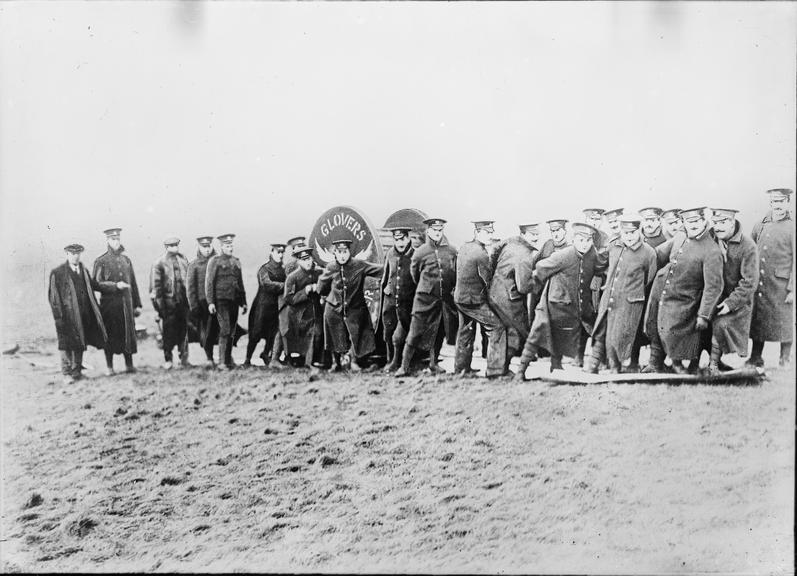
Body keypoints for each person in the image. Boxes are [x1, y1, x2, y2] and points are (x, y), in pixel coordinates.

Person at [516, 222, 608, 377]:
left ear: (592, 241)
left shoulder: (592, 255)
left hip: (575, 306)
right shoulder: (563, 255)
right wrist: (530, 285)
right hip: (552, 304)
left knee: (595, 328)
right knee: (537, 335)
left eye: (588, 240)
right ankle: (521, 370)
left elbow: (600, 266)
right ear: (573, 239)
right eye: (580, 240)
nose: (584, 245)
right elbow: (541, 268)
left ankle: (562, 365)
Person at [643, 208, 724, 374]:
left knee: (673, 330)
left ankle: (677, 364)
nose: (692, 225)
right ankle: (654, 363)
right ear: (684, 223)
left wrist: (704, 314)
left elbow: (713, 287)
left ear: (703, 222)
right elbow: (658, 254)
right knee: (653, 325)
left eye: (696, 221)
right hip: (660, 290)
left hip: (685, 299)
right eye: (688, 222)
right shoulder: (680, 236)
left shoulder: (711, 250)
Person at [586, 216, 657, 373]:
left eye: (633, 232)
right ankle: (594, 364)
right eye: (626, 233)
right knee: (601, 330)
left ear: (639, 231)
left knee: (619, 335)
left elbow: (649, 279)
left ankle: (615, 366)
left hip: (630, 303)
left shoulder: (648, 253)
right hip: (610, 299)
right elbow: (602, 265)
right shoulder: (614, 247)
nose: (629, 237)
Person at [395, 218, 458, 376]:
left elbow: (453, 272)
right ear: (428, 231)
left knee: (439, 331)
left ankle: (433, 363)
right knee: (415, 332)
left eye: (440, 230)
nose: (437, 233)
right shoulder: (421, 252)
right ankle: (404, 366)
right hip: (424, 299)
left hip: (443, 300)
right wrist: (428, 288)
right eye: (434, 230)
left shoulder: (451, 250)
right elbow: (414, 274)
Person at [317, 236, 383, 371]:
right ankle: (336, 363)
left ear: (349, 252)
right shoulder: (331, 267)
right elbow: (321, 287)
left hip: (354, 306)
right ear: (335, 253)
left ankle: (354, 361)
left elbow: (379, 270)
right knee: (334, 332)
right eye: (339, 252)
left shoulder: (359, 265)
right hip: (334, 306)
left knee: (358, 332)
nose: (342, 256)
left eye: (345, 252)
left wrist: (391, 268)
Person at [706, 208, 759, 374]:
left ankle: (713, 365)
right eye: (715, 222)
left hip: (737, 303)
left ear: (732, 222)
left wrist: (730, 304)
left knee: (721, 323)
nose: (718, 227)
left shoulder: (748, 246)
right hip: (710, 296)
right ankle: (691, 363)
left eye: (723, 222)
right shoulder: (708, 239)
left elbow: (749, 282)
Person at [452, 220, 508, 378]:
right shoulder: (481, 253)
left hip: (460, 298)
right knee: (497, 327)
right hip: (473, 301)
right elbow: (488, 281)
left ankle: (461, 369)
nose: (491, 236)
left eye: (491, 232)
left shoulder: (465, 247)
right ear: (477, 232)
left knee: (465, 331)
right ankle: (495, 371)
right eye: (487, 233)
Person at [48, 244, 110, 384]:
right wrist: (59, 318)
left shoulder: (84, 271)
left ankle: (77, 372)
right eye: (72, 253)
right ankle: (66, 374)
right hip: (66, 317)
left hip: (83, 315)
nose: (75, 256)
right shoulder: (58, 273)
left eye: (78, 253)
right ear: (67, 254)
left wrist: (114, 287)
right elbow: (54, 298)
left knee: (81, 342)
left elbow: (96, 285)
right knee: (66, 344)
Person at [748, 188, 794, 367]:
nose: (778, 206)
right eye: (775, 202)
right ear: (770, 203)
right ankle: (755, 358)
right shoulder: (760, 225)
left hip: (782, 286)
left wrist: (792, 289)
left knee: (785, 321)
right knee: (759, 321)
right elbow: (750, 250)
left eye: (782, 201)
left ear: (788, 203)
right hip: (761, 283)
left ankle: (785, 359)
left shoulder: (792, 227)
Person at [488, 223, 539, 373]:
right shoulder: (524, 254)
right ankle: (498, 370)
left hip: (495, 293)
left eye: (537, 234)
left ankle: (496, 369)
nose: (536, 238)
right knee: (516, 334)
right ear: (523, 235)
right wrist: (536, 279)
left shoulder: (511, 244)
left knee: (501, 333)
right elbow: (524, 286)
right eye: (532, 234)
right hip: (509, 298)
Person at [93, 227, 142, 375]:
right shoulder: (100, 261)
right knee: (110, 336)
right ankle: (109, 367)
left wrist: (137, 304)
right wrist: (115, 286)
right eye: (113, 239)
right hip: (109, 307)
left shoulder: (126, 260)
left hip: (126, 305)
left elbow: (133, 283)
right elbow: (95, 283)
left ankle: (129, 365)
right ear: (107, 240)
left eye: (118, 239)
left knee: (127, 334)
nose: (116, 242)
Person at [205, 233, 247, 370]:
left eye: (231, 245)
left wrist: (244, 302)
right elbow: (209, 283)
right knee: (225, 329)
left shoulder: (236, 261)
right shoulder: (215, 261)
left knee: (232, 332)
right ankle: (222, 362)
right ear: (222, 247)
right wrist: (210, 302)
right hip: (220, 301)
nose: (230, 248)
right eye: (227, 245)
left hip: (234, 301)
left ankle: (228, 361)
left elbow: (240, 284)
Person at [150, 236, 190, 369]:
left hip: (183, 303)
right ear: (166, 247)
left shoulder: (183, 260)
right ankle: (168, 360)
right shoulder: (159, 263)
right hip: (168, 305)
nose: (174, 248)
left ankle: (183, 359)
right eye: (171, 246)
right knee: (168, 333)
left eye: (176, 245)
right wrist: (159, 308)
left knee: (183, 331)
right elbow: (156, 288)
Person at [283, 244, 325, 372]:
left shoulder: (318, 273)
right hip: (300, 315)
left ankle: (317, 361)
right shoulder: (292, 277)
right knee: (310, 336)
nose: (307, 262)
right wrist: (304, 292)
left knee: (318, 334)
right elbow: (288, 298)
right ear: (299, 261)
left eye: (308, 259)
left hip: (316, 312)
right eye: (303, 260)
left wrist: (320, 290)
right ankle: (309, 363)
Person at [380, 227, 417, 372]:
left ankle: (400, 361)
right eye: (396, 240)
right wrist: (385, 287)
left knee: (400, 334)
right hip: (390, 301)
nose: (400, 243)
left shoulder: (414, 255)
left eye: (402, 239)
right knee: (388, 332)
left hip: (406, 301)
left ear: (408, 238)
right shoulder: (390, 253)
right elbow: (386, 274)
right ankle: (390, 360)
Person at [245, 243, 286, 368]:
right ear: (272, 253)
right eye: (278, 252)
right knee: (255, 333)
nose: (280, 255)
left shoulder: (284, 270)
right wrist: (284, 286)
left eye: (282, 252)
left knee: (272, 334)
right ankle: (247, 359)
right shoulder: (264, 269)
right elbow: (266, 284)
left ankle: (265, 354)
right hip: (261, 307)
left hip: (275, 307)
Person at [187, 236, 219, 366]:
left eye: (208, 246)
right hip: (202, 304)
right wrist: (193, 305)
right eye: (204, 247)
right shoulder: (194, 265)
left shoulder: (218, 261)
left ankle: (225, 357)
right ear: (199, 247)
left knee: (222, 330)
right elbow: (190, 287)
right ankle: (209, 358)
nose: (207, 249)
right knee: (206, 332)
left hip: (219, 302)